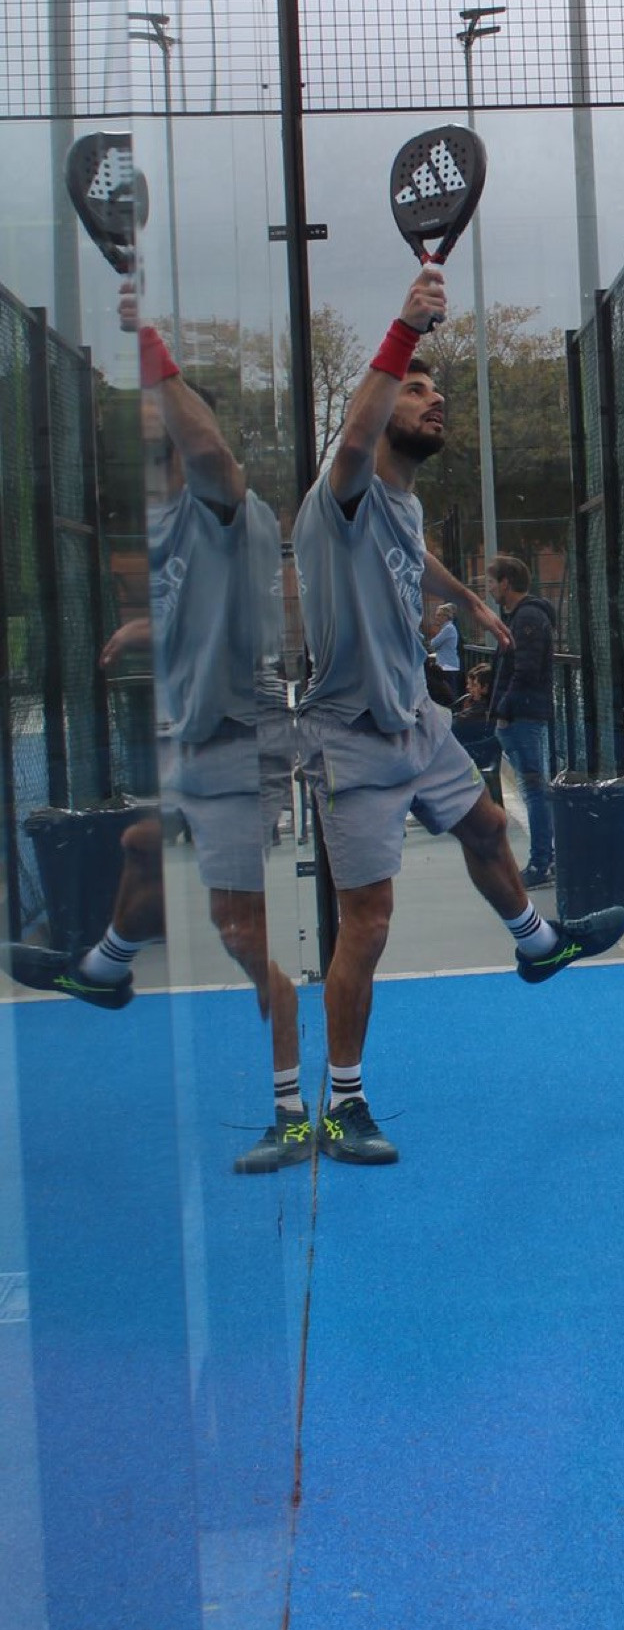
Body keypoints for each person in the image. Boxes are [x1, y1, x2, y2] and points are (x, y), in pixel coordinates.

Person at [290, 263, 624, 1167]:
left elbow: (416, 557)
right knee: (367, 921)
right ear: (375, 407)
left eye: (436, 390)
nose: (433, 399)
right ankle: (344, 1104)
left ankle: (536, 943)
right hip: (352, 737)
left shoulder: (401, 504)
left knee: (485, 825)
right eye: (415, 388)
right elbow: (353, 441)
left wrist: (471, 598)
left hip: (417, 721)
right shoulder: (340, 494)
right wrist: (403, 326)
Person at [8, 301, 305, 1177]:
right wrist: (148, 629)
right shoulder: (169, 519)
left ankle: (293, 1114)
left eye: (161, 408)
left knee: (240, 929)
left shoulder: (221, 497)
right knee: (141, 846)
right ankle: (105, 968)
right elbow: (200, 610)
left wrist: (151, 348)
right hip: (202, 744)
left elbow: (208, 450)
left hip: (241, 740)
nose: (147, 419)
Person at [488, 551, 559, 890]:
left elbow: (525, 670)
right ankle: (546, 858)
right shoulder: (523, 617)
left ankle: (542, 861)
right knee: (534, 788)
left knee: (533, 789)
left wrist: (504, 709)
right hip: (522, 716)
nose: (489, 589)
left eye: (492, 582)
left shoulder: (527, 618)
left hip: (523, 717)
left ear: (506, 583)